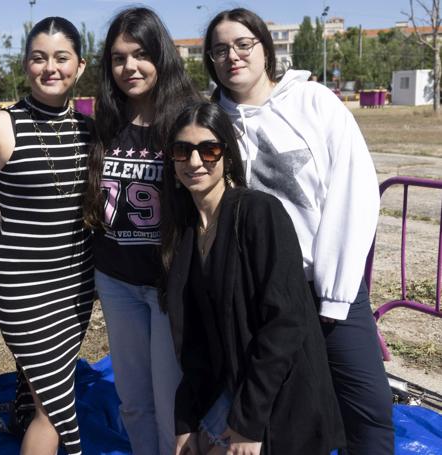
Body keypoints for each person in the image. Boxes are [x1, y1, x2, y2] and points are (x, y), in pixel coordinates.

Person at [203, 8, 393, 454]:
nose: (232, 56)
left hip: (328, 290)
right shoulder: (212, 122)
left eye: (242, 44)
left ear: (265, 47)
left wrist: (335, 289)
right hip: (262, 299)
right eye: (219, 49)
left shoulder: (315, 102)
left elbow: (353, 190)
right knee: (283, 418)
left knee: (368, 413)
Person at [160, 101, 345, 455]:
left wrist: (247, 424)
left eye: (209, 149)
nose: (195, 162)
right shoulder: (184, 233)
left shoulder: (260, 213)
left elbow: (285, 325)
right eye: (183, 150)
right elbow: (194, 341)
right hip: (227, 385)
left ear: (227, 156)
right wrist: (186, 419)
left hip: (278, 396)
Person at [0, 17, 93, 455]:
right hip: (22, 289)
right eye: (39, 58)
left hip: (77, 286)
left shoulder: (88, 130)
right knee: (58, 410)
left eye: (61, 58)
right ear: (25, 64)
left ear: (80, 66)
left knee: (44, 383)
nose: (50, 68)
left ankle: (20, 413)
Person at [82, 7, 200, 454]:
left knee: (174, 403)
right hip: (117, 283)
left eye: (140, 54)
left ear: (161, 56)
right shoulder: (105, 123)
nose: (129, 67)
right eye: (117, 57)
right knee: (133, 401)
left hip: (170, 286)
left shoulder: (187, 119)